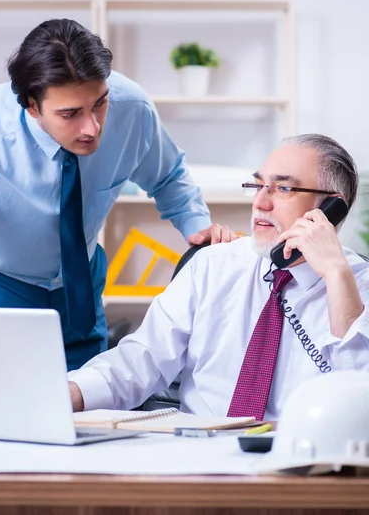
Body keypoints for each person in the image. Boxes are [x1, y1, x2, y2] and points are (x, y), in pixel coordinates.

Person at [0, 18, 236, 371]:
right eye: (70, 114)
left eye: (99, 104)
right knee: (2, 404)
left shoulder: (132, 109)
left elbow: (169, 176)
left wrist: (197, 230)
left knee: (87, 402)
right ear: (32, 107)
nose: (92, 127)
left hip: (81, 282)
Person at [69, 134, 369, 420]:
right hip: (199, 453)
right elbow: (141, 360)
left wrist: (335, 275)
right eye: (258, 185)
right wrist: (70, 394)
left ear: (331, 207)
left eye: (283, 189)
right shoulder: (212, 266)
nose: (261, 203)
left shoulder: (358, 284)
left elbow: (358, 399)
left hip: (303, 457)